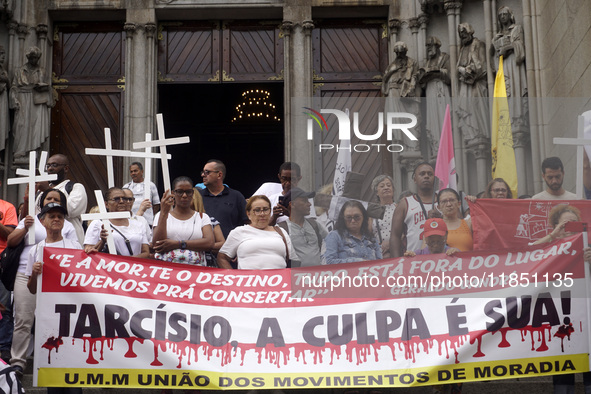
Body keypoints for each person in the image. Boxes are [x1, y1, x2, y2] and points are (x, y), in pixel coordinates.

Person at [7, 189, 77, 378]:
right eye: (51, 216)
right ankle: (18, 363)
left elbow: (78, 259)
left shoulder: (70, 234)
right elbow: (11, 241)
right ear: (42, 220)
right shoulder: (33, 241)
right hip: (27, 276)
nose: (56, 219)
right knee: (23, 320)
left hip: (58, 283)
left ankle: (59, 359)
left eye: (59, 216)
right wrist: (34, 275)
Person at [530, 204, 591, 394]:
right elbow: (527, 255)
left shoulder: (588, 250)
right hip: (560, 319)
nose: (569, 227)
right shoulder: (549, 250)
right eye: (565, 224)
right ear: (556, 227)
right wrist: (553, 236)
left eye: (574, 223)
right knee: (564, 370)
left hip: (586, 319)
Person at [218, 195, 296, 270]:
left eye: (265, 209)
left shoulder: (281, 232)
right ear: (248, 214)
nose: (262, 214)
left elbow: (294, 260)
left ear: (270, 211)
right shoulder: (239, 232)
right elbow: (222, 258)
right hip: (249, 282)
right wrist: (234, 279)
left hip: (278, 281)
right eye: (257, 210)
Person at [153, 177, 214, 265]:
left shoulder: (202, 217)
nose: (184, 195)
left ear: (192, 193)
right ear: (173, 193)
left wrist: (178, 244)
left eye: (188, 192)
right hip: (166, 271)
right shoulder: (161, 215)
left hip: (195, 271)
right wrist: (163, 213)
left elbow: (209, 243)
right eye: (180, 192)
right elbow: (157, 245)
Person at [9, 46, 53, 159]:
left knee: (36, 125)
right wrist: (14, 100)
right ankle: (21, 150)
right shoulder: (19, 70)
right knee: (21, 125)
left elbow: (47, 86)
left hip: (37, 101)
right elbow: (14, 87)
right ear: (28, 58)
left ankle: (34, 151)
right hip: (22, 99)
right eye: (32, 58)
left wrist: (43, 88)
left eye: (36, 58)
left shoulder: (42, 70)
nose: (34, 60)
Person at [84, 187, 150, 258]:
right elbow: (89, 253)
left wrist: (127, 262)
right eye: (116, 199)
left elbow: (146, 253)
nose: (121, 201)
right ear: (106, 204)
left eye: (124, 198)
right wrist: (102, 241)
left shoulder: (138, 224)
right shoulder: (97, 224)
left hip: (133, 267)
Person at [390, 162, 437, 257]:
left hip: (441, 258)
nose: (426, 176)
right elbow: (395, 236)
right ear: (415, 179)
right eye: (422, 174)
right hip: (413, 259)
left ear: (434, 178)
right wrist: (396, 262)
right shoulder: (405, 203)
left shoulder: (444, 201)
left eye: (430, 174)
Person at [492, 6, 528, 127]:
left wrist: (507, 48)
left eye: (505, 14)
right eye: (500, 15)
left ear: (510, 15)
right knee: (506, 92)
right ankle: (510, 118)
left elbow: (520, 45)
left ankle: (519, 117)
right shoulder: (497, 36)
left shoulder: (516, 29)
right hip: (503, 65)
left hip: (514, 63)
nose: (502, 17)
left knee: (516, 87)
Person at [382, 41, 420, 150]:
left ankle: (411, 148)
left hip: (407, 96)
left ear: (405, 51)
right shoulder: (391, 66)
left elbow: (416, 77)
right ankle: (402, 145)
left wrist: (410, 87)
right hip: (393, 94)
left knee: (410, 120)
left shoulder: (412, 63)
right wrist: (391, 72)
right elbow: (385, 80)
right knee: (396, 121)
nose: (399, 55)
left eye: (401, 52)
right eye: (397, 53)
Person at [277, 187, 327, 267]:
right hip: (296, 277)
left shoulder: (314, 224)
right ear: (292, 204)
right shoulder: (281, 229)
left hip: (318, 275)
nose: (309, 204)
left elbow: (332, 240)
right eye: (304, 201)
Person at [44, 154, 88, 244]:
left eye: (54, 165)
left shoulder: (75, 187)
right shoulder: (40, 191)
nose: (50, 169)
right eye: (48, 166)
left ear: (66, 168)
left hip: (69, 240)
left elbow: (71, 210)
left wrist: (46, 191)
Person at [419, 36, 451, 158]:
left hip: (441, 90)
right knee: (432, 121)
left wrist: (437, 72)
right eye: (426, 46)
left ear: (437, 46)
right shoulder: (427, 62)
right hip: (430, 91)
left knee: (442, 118)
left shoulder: (445, 57)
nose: (428, 49)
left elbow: (450, 77)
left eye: (430, 46)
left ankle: (444, 147)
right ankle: (436, 149)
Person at [199, 159, 248, 238]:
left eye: (207, 172)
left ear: (219, 175)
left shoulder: (236, 196)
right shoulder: (197, 197)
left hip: (232, 247)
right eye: (203, 172)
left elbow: (248, 221)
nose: (203, 175)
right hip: (204, 247)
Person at [456, 23, 488, 142]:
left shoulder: (478, 44)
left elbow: (483, 66)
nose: (462, 36)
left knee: (477, 106)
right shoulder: (463, 49)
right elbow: (458, 66)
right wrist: (461, 70)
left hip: (477, 84)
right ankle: (472, 134)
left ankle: (481, 133)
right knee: (468, 109)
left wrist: (471, 71)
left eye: (464, 32)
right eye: (460, 34)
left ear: (470, 31)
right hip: (465, 85)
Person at [324, 200, 382, 265]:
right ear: (343, 218)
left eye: (357, 217)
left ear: (363, 217)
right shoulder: (334, 236)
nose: (353, 221)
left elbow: (380, 263)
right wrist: (358, 262)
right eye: (348, 217)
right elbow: (328, 262)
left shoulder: (371, 238)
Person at [0, 187, 17, 364]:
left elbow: (10, 235)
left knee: (4, 307)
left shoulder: (7, 207)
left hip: (2, 261)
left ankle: (4, 347)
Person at [122, 161, 160, 226]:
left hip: (147, 223)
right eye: (131, 172)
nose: (133, 173)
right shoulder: (126, 187)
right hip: (130, 222)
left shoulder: (151, 185)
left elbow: (156, 205)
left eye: (135, 171)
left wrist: (150, 216)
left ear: (142, 171)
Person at [370, 175, 396, 259]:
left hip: (398, 250)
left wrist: (390, 243)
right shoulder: (372, 212)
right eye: (382, 186)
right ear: (376, 192)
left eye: (389, 185)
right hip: (380, 254)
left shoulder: (399, 207)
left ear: (393, 190)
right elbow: (369, 234)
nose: (386, 188)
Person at [0, 46, 9, 151]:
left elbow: (9, 84)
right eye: (1, 54)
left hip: (3, 100)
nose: (3, 57)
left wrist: (5, 79)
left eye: (4, 54)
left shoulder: (3, 69)